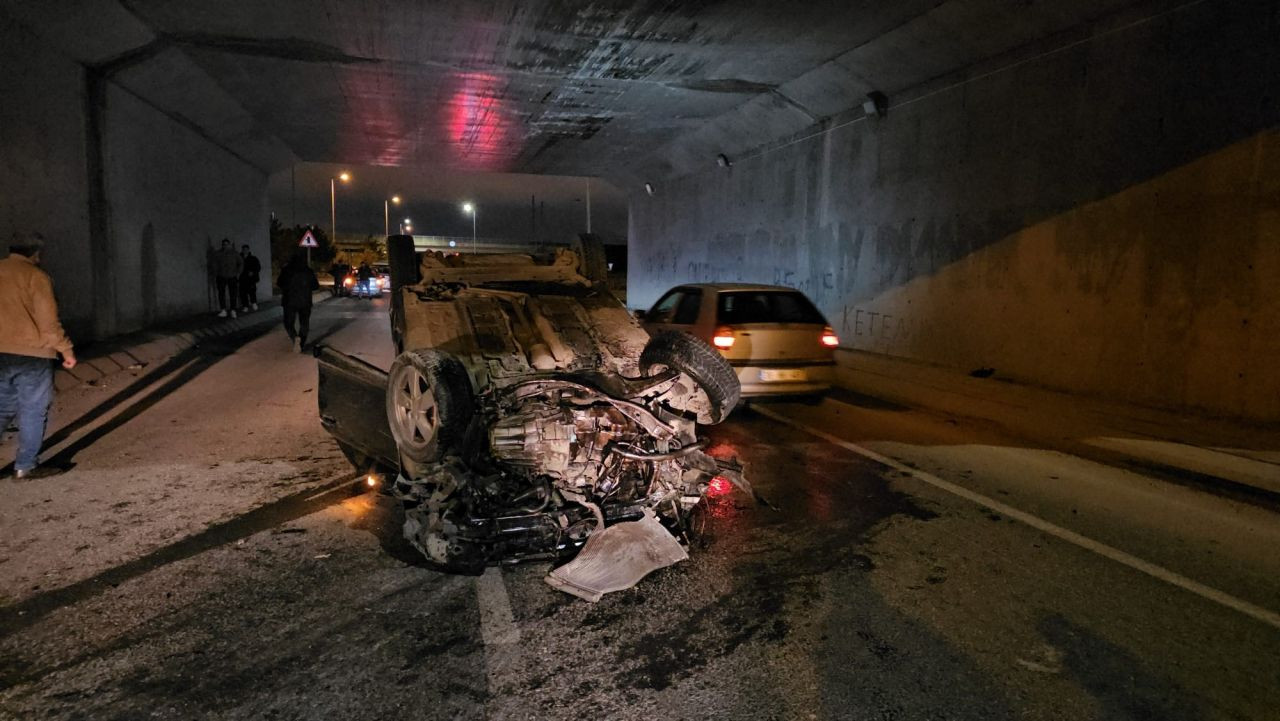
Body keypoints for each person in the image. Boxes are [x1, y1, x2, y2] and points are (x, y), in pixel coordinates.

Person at [0, 233, 77, 479]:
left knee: (1, 409)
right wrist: (66, 350)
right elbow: (49, 322)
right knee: (33, 409)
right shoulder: (36, 276)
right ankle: (25, 466)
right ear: (36, 253)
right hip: (32, 353)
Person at [277, 252, 319, 351]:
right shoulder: (308, 271)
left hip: (289, 301)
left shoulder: (286, 270)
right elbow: (316, 286)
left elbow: (280, 283)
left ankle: (295, 337)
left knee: (288, 323)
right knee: (304, 323)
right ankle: (301, 343)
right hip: (305, 301)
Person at [211, 238, 243, 318]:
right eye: (224, 244)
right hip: (221, 276)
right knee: (221, 293)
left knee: (233, 294)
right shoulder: (218, 254)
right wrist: (216, 272)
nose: (225, 246)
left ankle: (233, 310)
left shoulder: (234, 253)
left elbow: (241, 263)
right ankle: (223, 310)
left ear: (229, 245)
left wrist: (238, 273)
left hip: (232, 277)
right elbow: (214, 264)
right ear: (222, 245)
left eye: (226, 244)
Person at [238, 244, 261, 312]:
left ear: (248, 250)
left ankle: (254, 303)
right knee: (243, 293)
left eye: (246, 249)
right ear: (242, 250)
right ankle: (245, 306)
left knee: (252, 292)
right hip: (242, 278)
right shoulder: (239, 258)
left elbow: (258, 267)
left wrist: (253, 272)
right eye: (244, 249)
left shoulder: (253, 258)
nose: (245, 251)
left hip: (251, 278)